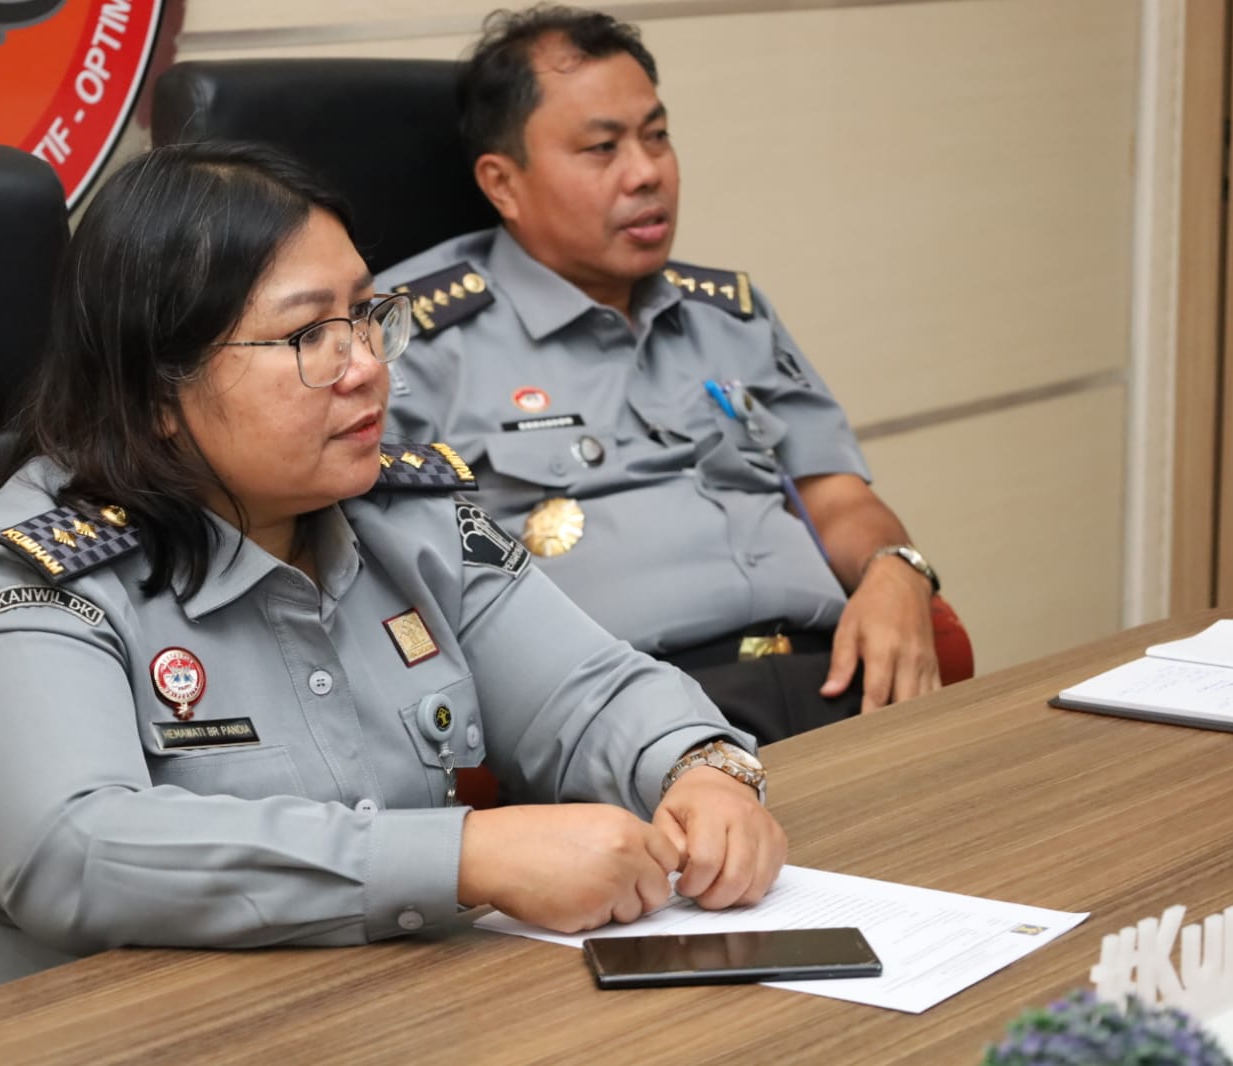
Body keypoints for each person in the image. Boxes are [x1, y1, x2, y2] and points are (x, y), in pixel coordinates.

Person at [0, 141, 785, 1006]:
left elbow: (586, 692)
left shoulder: (407, 515)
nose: (368, 367)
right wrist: (466, 856)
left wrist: (701, 769)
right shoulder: (26, 578)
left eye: (365, 315)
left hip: (369, 1004)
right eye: (309, 334)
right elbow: (71, 849)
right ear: (154, 391)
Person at [381, 5, 944, 744]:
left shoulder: (728, 314)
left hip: (830, 672)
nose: (646, 173)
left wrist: (895, 567)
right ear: (503, 183)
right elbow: (390, 582)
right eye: (601, 148)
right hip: (631, 713)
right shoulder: (410, 339)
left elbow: (835, 496)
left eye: (656, 136)